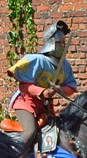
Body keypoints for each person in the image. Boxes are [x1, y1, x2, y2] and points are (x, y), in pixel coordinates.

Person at [7, 20, 78, 150]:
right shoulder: (38, 60)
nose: (62, 46)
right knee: (30, 132)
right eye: (59, 43)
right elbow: (23, 86)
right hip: (27, 103)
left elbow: (71, 88)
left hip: (46, 107)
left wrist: (59, 89)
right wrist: (42, 92)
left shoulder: (65, 65)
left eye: (63, 43)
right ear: (50, 43)